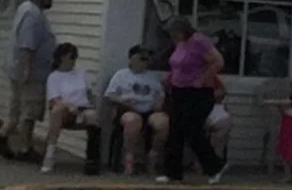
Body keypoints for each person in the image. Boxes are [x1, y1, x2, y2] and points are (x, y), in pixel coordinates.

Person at [0, 0, 58, 162]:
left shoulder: (25, 9)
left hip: (19, 68)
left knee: (17, 108)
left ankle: (2, 136)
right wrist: (26, 71)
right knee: (30, 111)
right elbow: (27, 45)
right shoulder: (32, 15)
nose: (51, 0)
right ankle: (26, 148)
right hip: (31, 72)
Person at [157, 17, 228, 184]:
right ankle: (172, 172)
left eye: (175, 32)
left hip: (198, 92)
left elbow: (218, 62)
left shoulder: (199, 41)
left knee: (192, 131)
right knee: (175, 131)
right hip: (179, 90)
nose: (173, 36)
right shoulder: (180, 43)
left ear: (183, 30)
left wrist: (203, 79)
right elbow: (179, 65)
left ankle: (215, 166)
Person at [104, 45, 169, 175]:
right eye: (142, 58)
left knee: (163, 123)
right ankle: (129, 159)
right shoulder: (121, 75)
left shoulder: (152, 77)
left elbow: (160, 94)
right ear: (132, 58)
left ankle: (153, 155)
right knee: (133, 122)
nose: (145, 61)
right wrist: (123, 101)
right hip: (128, 109)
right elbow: (109, 95)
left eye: (147, 59)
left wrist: (159, 103)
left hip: (149, 110)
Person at [40, 43, 102, 174]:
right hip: (66, 110)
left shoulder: (81, 72)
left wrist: (93, 106)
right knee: (57, 110)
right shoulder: (54, 77)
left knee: (92, 116)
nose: (74, 60)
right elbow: (54, 99)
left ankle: (92, 159)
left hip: (82, 107)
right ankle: (49, 156)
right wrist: (69, 106)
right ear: (62, 58)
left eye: (76, 57)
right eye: (71, 57)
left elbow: (89, 93)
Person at [263, 77, 292, 182]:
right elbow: (283, 110)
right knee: (284, 150)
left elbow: (282, 103)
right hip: (287, 125)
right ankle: (288, 175)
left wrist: (267, 102)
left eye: (289, 87)